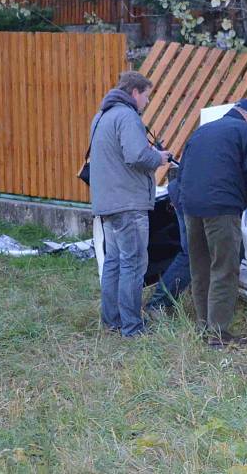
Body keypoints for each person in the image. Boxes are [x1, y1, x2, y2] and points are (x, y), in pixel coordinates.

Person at [179, 98, 247, 348]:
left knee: (200, 269)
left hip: (191, 208)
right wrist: (246, 201)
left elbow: (182, 170)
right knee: (224, 268)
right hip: (222, 207)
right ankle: (218, 334)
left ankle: (203, 325)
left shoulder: (202, 131)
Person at [90, 71, 170, 337]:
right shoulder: (126, 116)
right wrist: (159, 157)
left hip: (107, 203)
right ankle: (133, 327)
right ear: (135, 92)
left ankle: (112, 321)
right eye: (146, 96)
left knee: (114, 261)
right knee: (133, 264)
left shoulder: (101, 116)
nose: (147, 102)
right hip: (128, 203)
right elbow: (136, 155)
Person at [145, 177, 191, 316]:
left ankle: (159, 303)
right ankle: (157, 304)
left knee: (192, 254)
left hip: (187, 191)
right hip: (192, 194)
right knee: (191, 254)